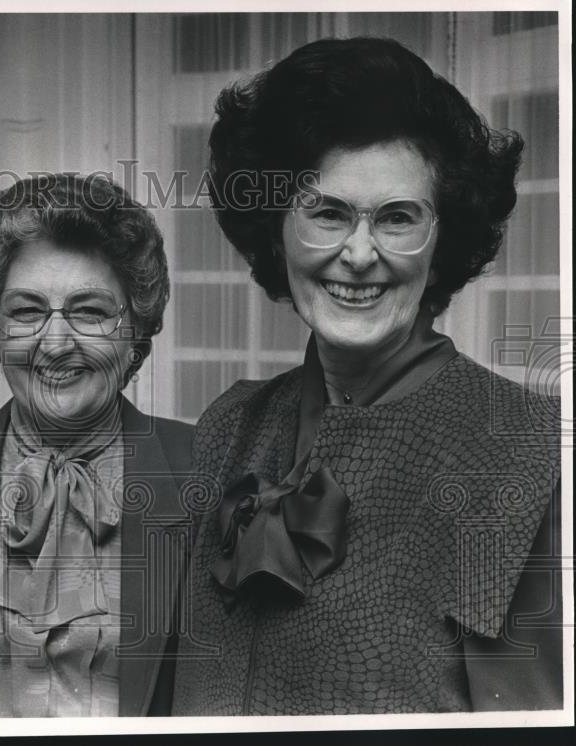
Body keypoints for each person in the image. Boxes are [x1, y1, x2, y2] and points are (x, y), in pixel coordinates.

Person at [172, 37, 562, 714]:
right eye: (326, 213)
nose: (359, 254)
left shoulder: (526, 451)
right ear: (275, 230)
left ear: (442, 243)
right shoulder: (227, 428)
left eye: (397, 218)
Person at [0, 174, 194, 717]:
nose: (55, 344)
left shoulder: (202, 467)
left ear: (136, 337)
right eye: (27, 311)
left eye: (91, 312)